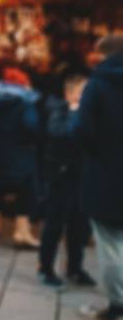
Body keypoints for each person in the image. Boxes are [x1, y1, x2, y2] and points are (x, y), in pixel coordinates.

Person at [72, 35, 123, 320]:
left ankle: (118, 305)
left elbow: (81, 130)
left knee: (110, 243)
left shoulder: (99, 84)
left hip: (105, 174)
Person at [38, 75, 95, 288]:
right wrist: (74, 112)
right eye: (83, 92)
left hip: (83, 177)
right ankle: (46, 268)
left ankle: (75, 268)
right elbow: (59, 133)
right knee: (54, 224)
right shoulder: (59, 111)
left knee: (79, 226)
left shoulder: (90, 115)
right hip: (60, 176)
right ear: (70, 94)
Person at [0, 67, 42, 248]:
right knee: (25, 189)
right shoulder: (25, 103)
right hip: (18, 151)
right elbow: (31, 127)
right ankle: (21, 231)